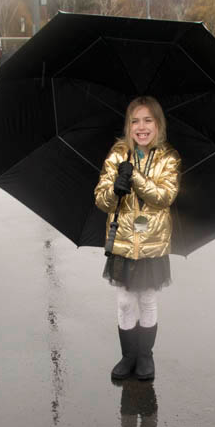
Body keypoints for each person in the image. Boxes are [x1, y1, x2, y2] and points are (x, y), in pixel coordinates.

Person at [94, 96, 181, 382]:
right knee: (124, 301)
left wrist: (135, 180)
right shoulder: (117, 154)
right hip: (122, 240)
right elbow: (101, 200)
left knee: (146, 297)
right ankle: (128, 355)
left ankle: (145, 355)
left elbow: (164, 196)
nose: (141, 127)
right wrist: (114, 190)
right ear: (128, 125)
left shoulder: (169, 157)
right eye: (135, 121)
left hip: (152, 241)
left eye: (147, 120)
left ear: (158, 125)